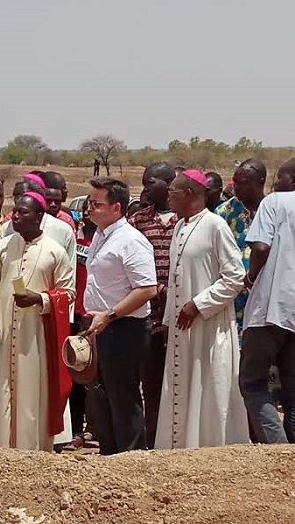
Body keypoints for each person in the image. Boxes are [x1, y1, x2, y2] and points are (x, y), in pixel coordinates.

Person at [156, 170, 248, 449]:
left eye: (172, 191)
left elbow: (235, 277)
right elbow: (175, 280)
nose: (168, 196)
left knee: (206, 386)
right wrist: (168, 321)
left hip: (208, 327)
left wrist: (198, 304)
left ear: (189, 193)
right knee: (181, 387)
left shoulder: (215, 225)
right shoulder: (179, 228)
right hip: (181, 330)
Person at [0, 192, 75, 451]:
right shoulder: (2, 247)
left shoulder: (55, 252)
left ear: (39, 216)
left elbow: (68, 293)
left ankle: (31, 454)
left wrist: (40, 299)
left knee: (32, 394)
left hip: (36, 338)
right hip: (2, 334)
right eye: (15, 211)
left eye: (22, 212)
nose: (15, 216)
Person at [83, 177, 157, 455]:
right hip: (100, 326)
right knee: (102, 395)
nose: (90, 208)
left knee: (123, 396)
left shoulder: (131, 241)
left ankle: (131, 456)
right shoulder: (101, 235)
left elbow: (147, 289)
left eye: (96, 204)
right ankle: (109, 455)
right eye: (89, 203)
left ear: (116, 208)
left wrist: (110, 315)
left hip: (124, 328)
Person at [128, 162, 178, 449]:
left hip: (183, 312)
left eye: (150, 182)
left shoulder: (186, 219)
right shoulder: (138, 221)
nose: (145, 188)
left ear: (169, 183)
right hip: (148, 313)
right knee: (152, 382)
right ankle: (155, 443)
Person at [240, 189, 295, 444]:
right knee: (292, 390)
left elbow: (261, 247)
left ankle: (278, 449)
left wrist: (251, 277)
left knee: (253, 382)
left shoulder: (275, 201)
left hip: (271, 306)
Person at [216, 159, 266, 337]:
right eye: (235, 181)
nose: (236, 187)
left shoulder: (273, 212)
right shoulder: (223, 213)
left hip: (265, 297)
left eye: (242, 183)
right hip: (231, 298)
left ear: (260, 182)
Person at [66, 197, 97, 450]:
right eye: (85, 208)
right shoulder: (73, 238)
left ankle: (96, 427)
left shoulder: (107, 239)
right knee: (76, 373)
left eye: (93, 207)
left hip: (99, 316)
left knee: (98, 376)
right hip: (75, 314)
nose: (87, 212)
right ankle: (76, 428)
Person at [0, 178, 76, 265]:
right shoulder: (6, 229)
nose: (18, 200)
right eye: (16, 196)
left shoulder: (63, 231)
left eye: (24, 196)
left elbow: (69, 269)